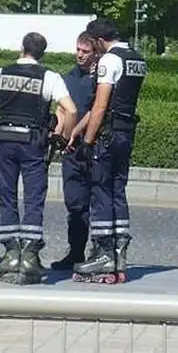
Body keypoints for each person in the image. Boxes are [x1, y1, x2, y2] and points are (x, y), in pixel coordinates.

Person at [0, 32, 78, 285]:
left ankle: (11, 255)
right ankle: (30, 257)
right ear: (42, 54)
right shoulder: (49, 77)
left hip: (5, 142)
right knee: (34, 199)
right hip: (33, 144)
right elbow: (71, 109)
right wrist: (63, 137)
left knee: (7, 196)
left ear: (22, 48)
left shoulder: (1, 73)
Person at [69, 18, 147, 284]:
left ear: (100, 41)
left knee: (101, 191)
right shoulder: (136, 58)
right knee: (118, 191)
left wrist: (87, 141)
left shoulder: (109, 60)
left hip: (107, 135)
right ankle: (119, 252)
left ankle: (103, 253)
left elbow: (101, 106)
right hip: (126, 132)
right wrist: (78, 129)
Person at [50, 31, 103, 270]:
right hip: (71, 150)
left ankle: (99, 252)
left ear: (95, 53)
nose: (80, 55)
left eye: (85, 51)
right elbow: (62, 109)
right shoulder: (69, 77)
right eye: (78, 50)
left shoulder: (98, 79)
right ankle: (76, 251)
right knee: (74, 203)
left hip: (92, 146)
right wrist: (59, 134)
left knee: (97, 202)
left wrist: (76, 132)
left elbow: (96, 109)